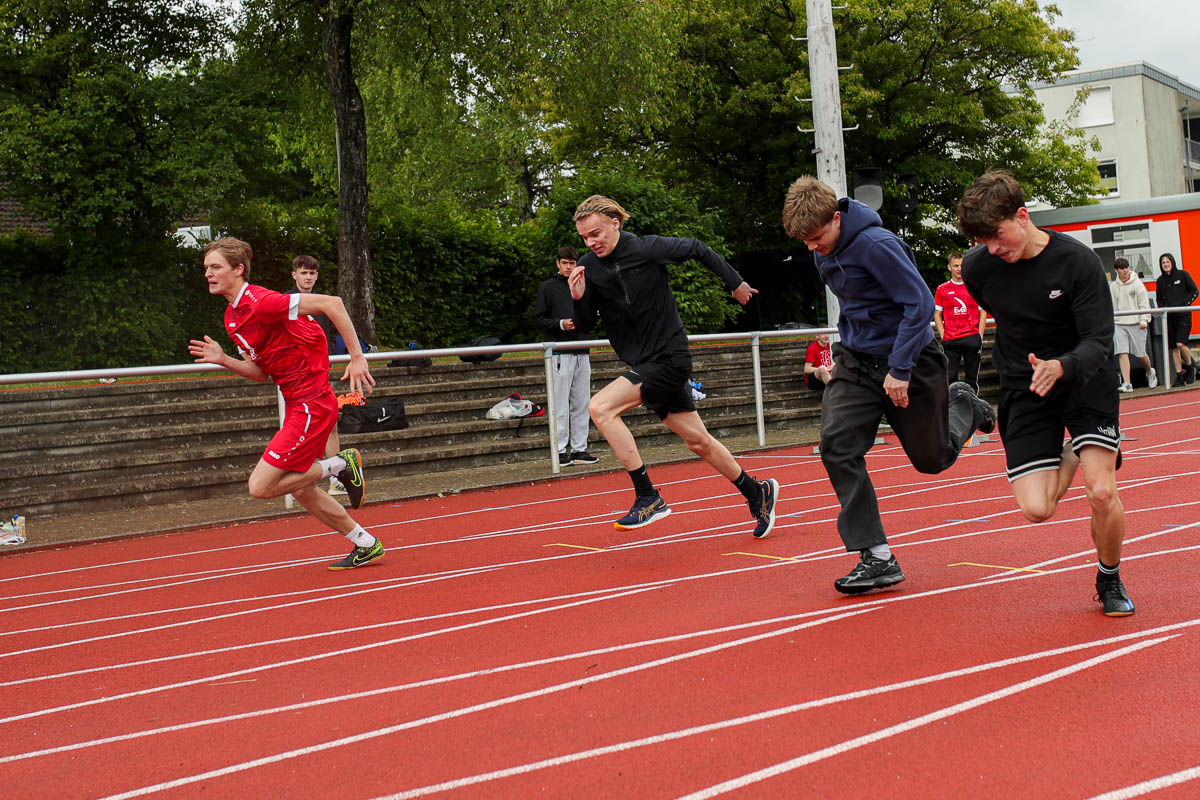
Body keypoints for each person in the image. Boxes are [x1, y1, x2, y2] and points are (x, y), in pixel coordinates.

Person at [781, 176, 995, 594]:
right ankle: (876, 556)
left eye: (815, 236)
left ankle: (966, 405)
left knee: (932, 460)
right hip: (857, 362)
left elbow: (917, 305)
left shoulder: (878, 245)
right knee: (837, 446)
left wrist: (899, 369)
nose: (811, 247)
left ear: (837, 218)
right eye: (803, 240)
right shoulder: (821, 252)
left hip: (910, 358)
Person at [957, 169, 1133, 617]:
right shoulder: (979, 268)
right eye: (982, 241)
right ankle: (1077, 449)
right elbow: (1006, 313)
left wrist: (1062, 365)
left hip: (1084, 378)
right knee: (1037, 509)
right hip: (1025, 384)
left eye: (997, 235)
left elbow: (1099, 339)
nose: (992, 248)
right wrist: (1036, 368)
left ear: (1022, 215)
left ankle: (1109, 578)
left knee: (1101, 492)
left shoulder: (1078, 263)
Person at [569, 195, 780, 537]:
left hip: (670, 358)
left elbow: (697, 248)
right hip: (643, 363)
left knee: (601, 408)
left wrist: (735, 282)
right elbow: (584, 326)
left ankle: (647, 496)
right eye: (585, 238)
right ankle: (758, 493)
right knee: (699, 442)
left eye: (596, 234)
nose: (591, 243)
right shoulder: (589, 267)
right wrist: (578, 299)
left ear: (615, 224)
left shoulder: (647, 249)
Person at [188, 237, 384, 570]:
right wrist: (223, 359)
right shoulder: (232, 318)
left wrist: (357, 357)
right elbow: (261, 373)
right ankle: (365, 543)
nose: (208, 273)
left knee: (260, 487)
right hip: (296, 401)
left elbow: (333, 304)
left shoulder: (262, 302)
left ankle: (341, 464)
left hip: (311, 402)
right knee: (304, 490)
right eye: (206, 268)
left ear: (238, 269)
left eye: (215, 267)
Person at [533, 245, 599, 467]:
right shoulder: (548, 288)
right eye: (565, 263)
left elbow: (592, 314)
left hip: (583, 349)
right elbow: (538, 319)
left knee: (582, 403)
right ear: (558, 264)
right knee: (560, 404)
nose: (569, 267)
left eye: (572, 263)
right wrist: (561, 324)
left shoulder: (584, 286)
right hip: (560, 352)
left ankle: (580, 449)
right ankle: (560, 451)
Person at [288, 254, 347, 495]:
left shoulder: (324, 302)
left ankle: (336, 479)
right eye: (304, 273)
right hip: (297, 378)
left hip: (321, 374)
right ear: (295, 275)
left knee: (331, 424)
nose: (309, 277)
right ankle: (297, 480)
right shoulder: (285, 302)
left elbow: (332, 333)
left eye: (312, 273)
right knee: (298, 429)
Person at [934, 251, 987, 392]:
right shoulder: (942, 289)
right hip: (951, 340)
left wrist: (979, 335)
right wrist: (943, 334)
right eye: (955, 265)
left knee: (972, 379)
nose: (959, 269)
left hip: (972, 337)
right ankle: (953, 410)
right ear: (949, 267)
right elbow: (937, 314)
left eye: (962, 265)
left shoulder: (973, 287)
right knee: (950, 379)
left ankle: (973, 409)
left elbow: (983, 311)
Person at [1110, 257, 1157, 392]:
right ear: (1116, 270)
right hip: (1119, 323)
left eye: (1126, 267)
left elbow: (1144, 304)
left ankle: (1149, 371)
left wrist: (1144, 320)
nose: (1125, 271)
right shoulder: (1113, 287)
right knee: (1122, 352)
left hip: (1136, 323)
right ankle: (1127, 383)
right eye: (1121, 268)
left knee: (1140, 353)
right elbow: (1112, 306)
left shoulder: (1138, 284)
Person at [1155, 252, 1197, 385]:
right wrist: (1164, 309)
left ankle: (1191, 368)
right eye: (1163, 263)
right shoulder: (1160, 281)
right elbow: (1159, 299)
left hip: (1183, 315)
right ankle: (1179, 375)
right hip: (1169, 317)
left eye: (1167, 262)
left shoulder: (1182, 275)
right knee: (1174, 348)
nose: (1165, 264)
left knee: (1181, 343)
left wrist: (1185, 304)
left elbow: (1194, 291)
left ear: (1172, 262)